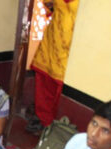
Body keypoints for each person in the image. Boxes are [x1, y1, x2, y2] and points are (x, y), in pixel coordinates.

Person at [26, 0, 80, 133]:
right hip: (51, 44)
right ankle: (43, 121)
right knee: (44, 85)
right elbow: (48, 6)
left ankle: (54, 126)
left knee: (59, 89)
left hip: (70, 51)